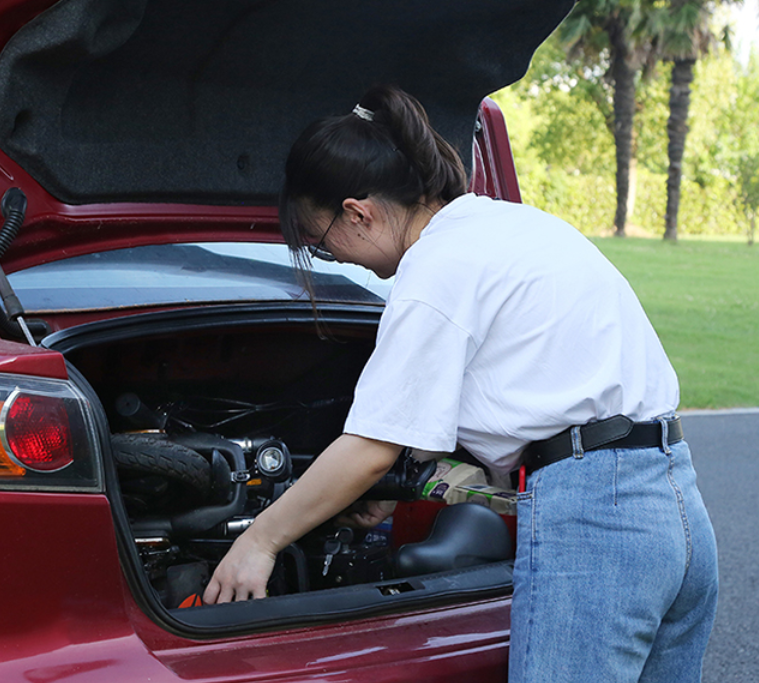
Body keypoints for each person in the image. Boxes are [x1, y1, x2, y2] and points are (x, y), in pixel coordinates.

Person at [202, 84, 718, 683]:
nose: (335, 259)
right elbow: (498, 393)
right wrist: (388, 488)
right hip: (676, 506)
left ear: (358, 212)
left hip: (597, 522)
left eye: (321, 244)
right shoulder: (510, 226)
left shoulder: (433, 271)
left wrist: (259, 542)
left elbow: (370, 449)